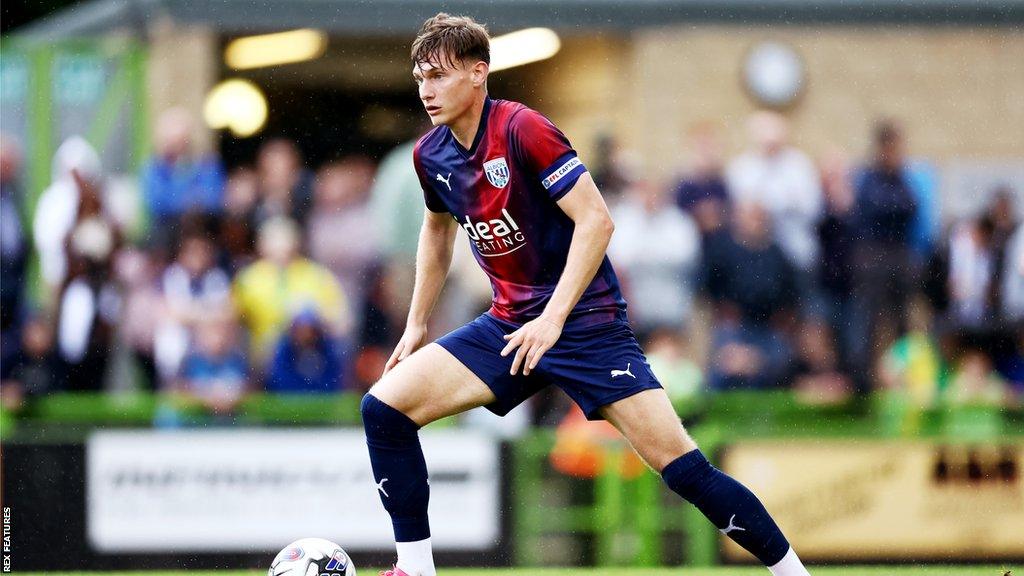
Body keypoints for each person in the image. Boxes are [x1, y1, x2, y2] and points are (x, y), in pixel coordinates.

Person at [361, 14, 808, 576]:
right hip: (510, 328)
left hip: (587, 326)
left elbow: (596, 222)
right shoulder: (431, 155)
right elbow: (435, 231)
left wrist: (553, 318)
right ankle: (415, 569)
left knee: (684, 469)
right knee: (384, 408)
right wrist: (416, 324)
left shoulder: (524, 129)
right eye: (420, 77)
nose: (427, 90)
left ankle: (794, 573)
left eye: (441, 76)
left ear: (479, 73)